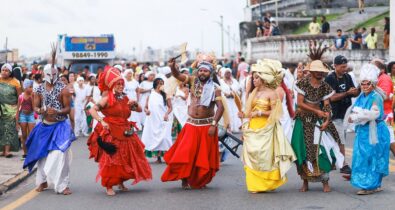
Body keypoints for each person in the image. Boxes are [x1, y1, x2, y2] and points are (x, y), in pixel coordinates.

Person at [161, 53, 224, 189]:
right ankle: (184, 179)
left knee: (202, 157)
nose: (202, 72)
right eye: (200, 70)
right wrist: (172, 67)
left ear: (210, 72)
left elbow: (220, 108)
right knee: (185, 153)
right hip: (191, 124)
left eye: (205, 70)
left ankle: (200, 179)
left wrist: (213, 124)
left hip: (206, 125)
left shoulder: (215, 89)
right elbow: (178, 76)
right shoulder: (192, 81)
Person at [87, 67, 152, 196]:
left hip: (126, 130)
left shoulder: (125, 98)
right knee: (113, 158)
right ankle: (109, 185)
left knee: (127, 157)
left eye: (122, 84)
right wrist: (102, 121)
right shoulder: (106, 98)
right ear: (112, 86)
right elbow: (92, 110)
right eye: (118, 84)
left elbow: (139, 110)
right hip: (112, 131)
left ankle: (121, 182)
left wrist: (134, 104)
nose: (120, 86)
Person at [239, 59, 296, 193]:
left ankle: (267, 182)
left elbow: (276, 112)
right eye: (253, 78)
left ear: (264, 79)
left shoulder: (272, 93)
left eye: (256, 78)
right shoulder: (254, 93)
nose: (254, 80)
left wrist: (260, 112)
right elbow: (248, 110)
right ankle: (255, 184)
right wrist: (243, 115)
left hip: (266, 127)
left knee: (264, 155)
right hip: (253, 127)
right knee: (252, 154)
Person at [292, 47, 344, 193]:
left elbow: (327, 105)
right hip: (303, 120)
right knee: (302, 150)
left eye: (322, 72)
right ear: (312, 72)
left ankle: (325, 181)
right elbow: (301, 103)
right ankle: (305, 181)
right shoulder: (302, 83)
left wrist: (327, 119)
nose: (321, 74)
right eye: (319, 72)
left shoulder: (325, 86)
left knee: (323, 150)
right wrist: (317, 111)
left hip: (318, 120)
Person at [23, 62, 75, 195]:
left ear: (56, 74)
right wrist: (40, 110)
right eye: (49, 74)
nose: (51, 76)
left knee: (60, 154)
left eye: (53, 74)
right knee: (41, 155)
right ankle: (42, 181)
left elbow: (68, 108)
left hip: (60, 126)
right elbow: (35, 106)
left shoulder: (63, 88)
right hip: (45, 125)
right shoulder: (39, 89)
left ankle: (63, 184)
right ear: (44, 74)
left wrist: (57, 111)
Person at [348, 63, 390, 195]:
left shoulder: (375, 96)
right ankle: (371, 184)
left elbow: (374, 114)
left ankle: (369, 185)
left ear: (373, 84)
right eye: (363, 84)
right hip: (363, 131)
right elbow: (355, 109)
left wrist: (356, 117)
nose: (365, 86)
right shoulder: (362, 96)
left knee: (373, 157)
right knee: (362, 157)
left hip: (375, 131)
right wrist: (355, 115)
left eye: (367, 84)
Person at [324, 55, 359, 175]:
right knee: (340, 139)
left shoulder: (347, 77)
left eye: (346, 66)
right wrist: (347, 93)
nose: (345, 69)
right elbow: (330, 97)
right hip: (334, 114)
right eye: (342, 66)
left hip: (345, 113)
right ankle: (343, 164)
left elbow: (353, 92)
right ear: (335, 66)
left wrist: (356, 91)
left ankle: (335, 161)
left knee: (338, 138)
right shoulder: (330, 79)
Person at [141, 78, 173, 163]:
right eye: (159, 83)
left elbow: (170, 107)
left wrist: (166, 114)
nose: (160, 85)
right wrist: (146, 111)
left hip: (163, 119)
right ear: (155, 85)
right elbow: (145, 107)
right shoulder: (150, 95)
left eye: (162, 83)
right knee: (152, 138)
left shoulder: (166, 95)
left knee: (165, 138)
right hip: (152, 120)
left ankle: (167, 157)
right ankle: (158, 157)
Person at [373, 59, 395, 158]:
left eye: (372, 67)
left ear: (379, 69)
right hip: (380, 114)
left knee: (390, 141)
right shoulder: (379, 78)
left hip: (385, 115)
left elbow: (385, 96)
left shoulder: (384, 78)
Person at [0, 63, 22, 158]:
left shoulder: (15, 82)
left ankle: (7, 151)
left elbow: (20, 98)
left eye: (6, 70)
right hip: (1, 109)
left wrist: (18, 109)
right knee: (1, 129)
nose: (4, 72)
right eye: (3, 70)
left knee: (9, 130)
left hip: (11, 110)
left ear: (10, 72)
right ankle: (3, 150)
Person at [16, 79, 36, 159]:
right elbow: (18, 109)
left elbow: (34, 108)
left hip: (30, 115)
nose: (31, 89)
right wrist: (17, 122)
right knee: (24, 135)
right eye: (30, 87)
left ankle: (31, 152)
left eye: (32, 87)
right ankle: (25, 153)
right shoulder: (21, 96)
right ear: (25, 87)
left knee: (31, 134)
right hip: (23, 116)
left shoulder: (32, 95)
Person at [220, 68, 242, 132]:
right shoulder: (221, 81)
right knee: (227, 112)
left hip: (234, 101)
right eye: (227, 73)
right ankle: (228, 127)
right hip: (226, 101)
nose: (228, 74)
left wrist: (234, 94)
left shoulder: (234, 81)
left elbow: (239, 91)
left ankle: (235, 127)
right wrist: (226, 94)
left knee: (235, 112)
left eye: (229, 73)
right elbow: (219, 90)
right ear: (224, 74)